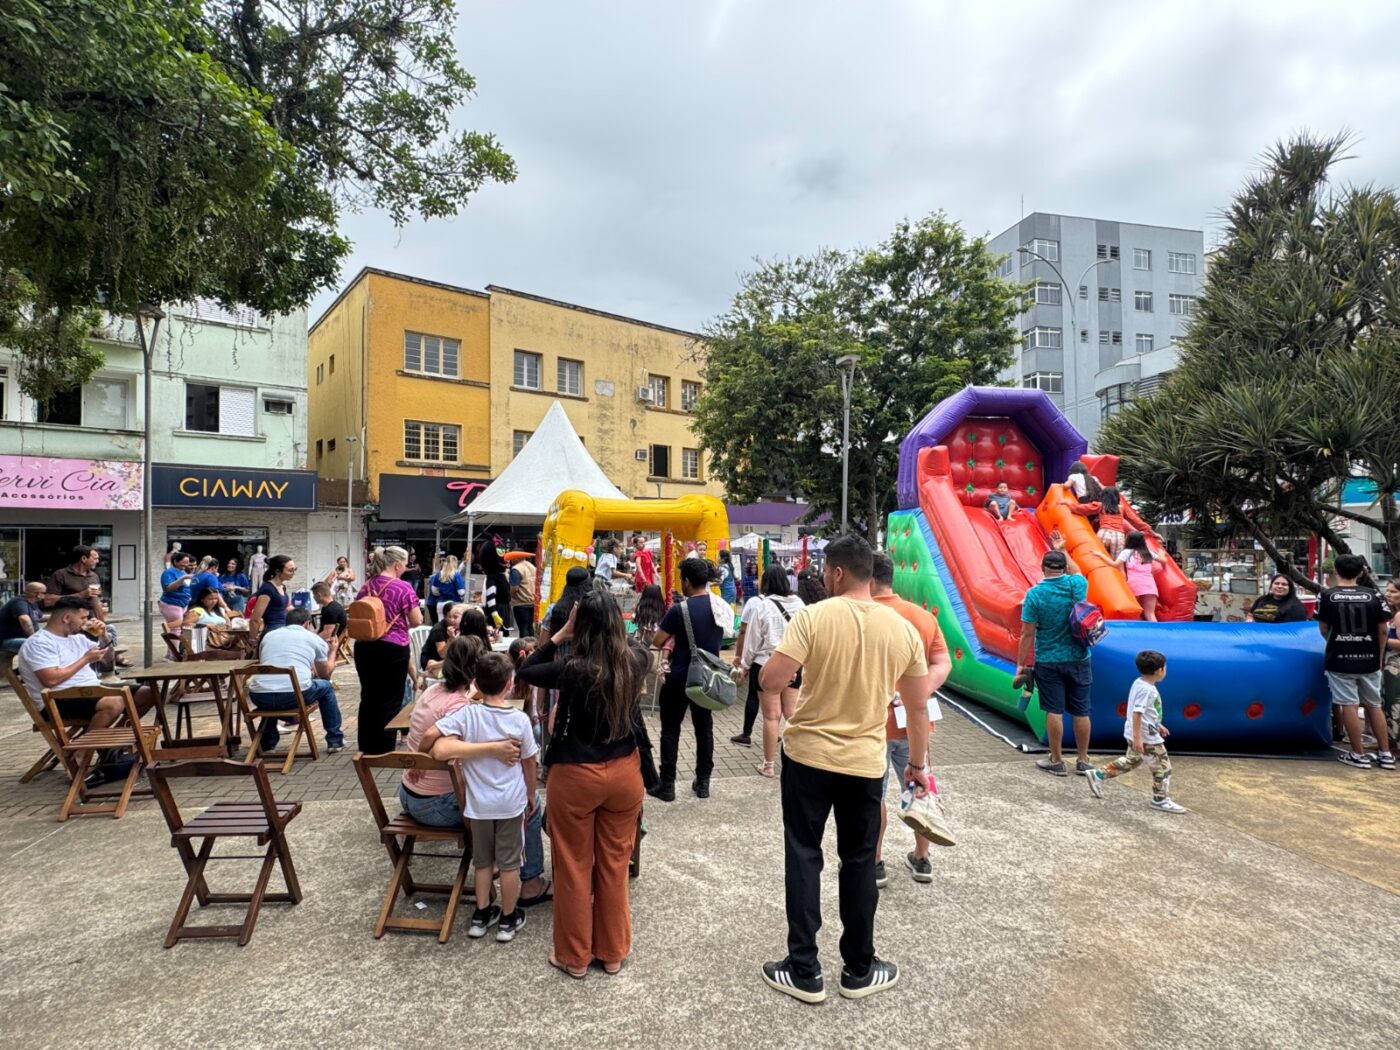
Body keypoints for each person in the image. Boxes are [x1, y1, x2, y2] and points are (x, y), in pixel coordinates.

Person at [756, 535, 930, 1004]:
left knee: (803, 854)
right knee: (859, 860)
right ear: (870, 574)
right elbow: (916, 709)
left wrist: (796, 675)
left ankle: (804, 969)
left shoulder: (813, 618)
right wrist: (915, 765)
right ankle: (859, 967)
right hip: (865, 762)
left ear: (835, 573)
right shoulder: (902, 629)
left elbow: (771, 679)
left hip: (808, 757)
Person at [517, 590, 651, 977]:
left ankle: (573, 957)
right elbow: (634, 644)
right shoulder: (637, 659)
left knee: (573, 865)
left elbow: (526, 672)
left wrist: (561, 633)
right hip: (625, 771)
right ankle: (612, 952)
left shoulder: (573, 668)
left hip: (576, 773)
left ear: (582, 625)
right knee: (614, 861)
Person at [425, 652, 539, 942]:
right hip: (510, 803)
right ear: (510, 684)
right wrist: (530, 795)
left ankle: (481, 914)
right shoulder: (520, 719)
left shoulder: (466, 714)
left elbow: (433, 740)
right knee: (512, 862)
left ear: (475, 682)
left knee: (483, 862)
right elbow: (529, 762)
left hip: (478, 805)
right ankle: (508, 919)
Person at [870, 552, 954, 884]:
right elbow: (943, 662)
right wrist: (916, 692)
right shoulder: (921, 617)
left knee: (873, 795)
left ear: (869, 579)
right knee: (920, 784)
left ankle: (874, 862)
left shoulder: (863, 616)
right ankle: (922, 859)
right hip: (914, 724)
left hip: (871, 724)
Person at [402, 635, 505, 822]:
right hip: (435, 804)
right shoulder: (458, 707)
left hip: (409, 794)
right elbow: (438, 741)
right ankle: (492, 849)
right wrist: (496, 748)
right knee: (510, 802)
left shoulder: (433, 690)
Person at [16, 596, 156, 731]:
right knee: (114, 702)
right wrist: (85, 659)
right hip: (56, 699)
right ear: (66, 618)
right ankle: (82, 753)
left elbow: (107, 660)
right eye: (83, 618)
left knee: (149, 693)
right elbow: (50, 679)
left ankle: (111, 742)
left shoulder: (77, 638)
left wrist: (104, 636)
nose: (85, 622)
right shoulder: (39, 643)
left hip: (90, 690)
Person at [648, 557, 724, 801]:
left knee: (670, 729)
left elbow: (657, 641)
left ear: (688, 581)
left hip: (679, 676)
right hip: (706, 678)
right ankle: (703, 783)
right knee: (704, 728)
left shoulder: (679, 610)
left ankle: (667, 785)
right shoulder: (720, 606)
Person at [1017, 549, 1093, 777]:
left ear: (1042, 568)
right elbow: (1077, 569)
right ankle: (1082, 760)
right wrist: (1062, 548)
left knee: (1054, 710)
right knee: (1081, 711)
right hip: (1079, 657)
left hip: (1049, 660)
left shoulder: (1035, 595)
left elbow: (1027, 633)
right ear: (1063, 568)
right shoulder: (1076, 585)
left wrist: (1021, 664)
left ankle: (1057, 760)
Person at [1084, 650, 1186, 811]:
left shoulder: (1139, 682)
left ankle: (1098, 775)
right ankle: (1160, 799)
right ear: (1159, 670)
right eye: (1165, 667)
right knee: (1163, 767)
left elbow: (1146, 712)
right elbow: (1137, 712)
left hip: (1137, 732)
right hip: (1146, 737)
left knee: (1133, 760)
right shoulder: (1148, 690)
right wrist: (1139, 737)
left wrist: (1157, 724)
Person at [1319, 554, 1394, 770]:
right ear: (1361, 573)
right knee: (1374, 704)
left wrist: (1337, 643)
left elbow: (1323, 629)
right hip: (1369, 658)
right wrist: (1378, 654)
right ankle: (1386, 753)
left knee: (1348, 704)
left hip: (1340, 658)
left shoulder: (1326, 596)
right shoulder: (1374, 595)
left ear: (1335, 571)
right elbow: (1383, 629)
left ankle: (1358, 754)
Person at [352, 546, 423, 754]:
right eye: (405, 564)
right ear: (397, 564)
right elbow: (417, 620)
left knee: (369, 695)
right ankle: (383, 746)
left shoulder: (367, 586)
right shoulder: (403, 588)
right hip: (393, 647)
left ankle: (366, 745)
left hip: (364, 646)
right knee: (391, 698)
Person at [247, 607, 345, 753]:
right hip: (293, 695)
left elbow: (265, 662)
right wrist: (332, 652)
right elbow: (325, 675)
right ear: (306, 624)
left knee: (272, 687)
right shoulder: (313, 638)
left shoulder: (269, 635)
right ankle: (335, 740)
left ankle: (268, 743)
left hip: (260, 696)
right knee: (326, 687)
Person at [738, 567, 805, 777]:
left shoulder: (763, 606)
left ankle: (768, 765)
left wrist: (745, 665)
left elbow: (752, 640)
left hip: (766, 663)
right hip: (794, 663)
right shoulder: (800, 605)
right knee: (792, 714)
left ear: (766, 583)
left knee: (771, 717)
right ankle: (799, 762)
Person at [180, 587, 245, 658]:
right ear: (202, 599)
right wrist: (206, 626)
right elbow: (185, 625)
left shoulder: (221, 610)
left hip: (223, 638)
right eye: (210, 599)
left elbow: (228, 624)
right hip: (205, 641)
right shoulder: (197, 611)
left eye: (216, 599)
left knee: (242, 641)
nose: (214, 601)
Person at [1116, 531, 1167, 621]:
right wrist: (1161, 554)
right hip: (1149, 584)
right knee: (1150, 614)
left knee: (1134, 612)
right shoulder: (1148, 553)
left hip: (1134, 584)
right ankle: (1156, 633)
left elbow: (1121, 569)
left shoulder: (1126, 552)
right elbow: (1164, 561)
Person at [248, 554, 296, 639]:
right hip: (273, 632)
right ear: (278, 571)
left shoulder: (282, 587)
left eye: (294, 570)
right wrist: (252, 641)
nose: (293, 573)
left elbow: (284, 608)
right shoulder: (268, 589)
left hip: (285, 628)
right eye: (290, 570)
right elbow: (255, 619)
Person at [543, 567, 592, 643]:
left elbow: (543, 643)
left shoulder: (553, 609)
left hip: (557, 653)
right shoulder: (593, 608)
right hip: (585, 654)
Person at [1, 582, 46, 656]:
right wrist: (33, 638)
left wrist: (55, 617)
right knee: (37, 645)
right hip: (6, 640)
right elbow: (24, 619)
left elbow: (38, 618)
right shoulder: (19, 602)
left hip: (19, 638)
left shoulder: (32, 603)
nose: (45, 595)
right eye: (44, 592)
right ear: (38, 594)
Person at [478, 542, 512, 631]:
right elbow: (490, 595)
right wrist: (494, 613)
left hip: (504, 608)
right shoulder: (492, 577)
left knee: (503, 632)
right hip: (498, 609)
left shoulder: (501, 576)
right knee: (498, 633)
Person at [158, 552, 197, 628]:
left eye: (187, 562)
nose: (186, 564)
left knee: (183, 626)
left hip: (183, 603)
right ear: (175, 561)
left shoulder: (183, 572)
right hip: (172, 603)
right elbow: (168, 588)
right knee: (176, 627)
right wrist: (182, 579)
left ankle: (176, 637)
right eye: (184, 562)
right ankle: (168, 629)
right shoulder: (169, 572)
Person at [422, 602, 462, 672]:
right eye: (450, 617)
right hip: (433, 660)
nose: (453, 620)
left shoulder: (458, 626)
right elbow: (442, 654)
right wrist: (451, 639)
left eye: (455, 617)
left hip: (448, 660)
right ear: (444, 617)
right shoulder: (438, 629)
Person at [1090, 487, 1129, 557]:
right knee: (1116, 563)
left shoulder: (1100, 506)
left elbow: (1082, 508)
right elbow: (1135, 520)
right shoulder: (1121, 508)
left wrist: (1068, 504)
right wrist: (1149, 530)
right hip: (1118, 536)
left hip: (1103, 533)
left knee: (1098, 558)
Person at [429, 555, 466, 621]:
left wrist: (442, 594)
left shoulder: (439, 574)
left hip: (440, 603)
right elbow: (461, 592)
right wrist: (462, 598)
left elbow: (434, 590)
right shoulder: (456, 574)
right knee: (452, 626)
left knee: (441, 625)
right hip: (453, 603)